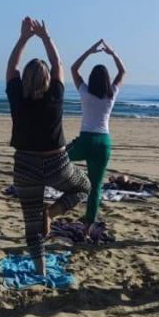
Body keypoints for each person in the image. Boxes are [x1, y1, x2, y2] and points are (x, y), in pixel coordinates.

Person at [6, 17, 91, 275]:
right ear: (47, 79)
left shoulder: (17, 97)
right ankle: (51, 213)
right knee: (85, 186)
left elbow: (12, 66)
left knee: (31, 224)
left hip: (25, 165)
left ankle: (40, 270)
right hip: (57, 164)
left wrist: (23, 38)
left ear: (25, 81)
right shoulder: (55, 95)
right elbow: (57, 64)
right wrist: (45, 37)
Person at [67, 38, 127, 236]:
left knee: (58, 158)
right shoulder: (111, 94)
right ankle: (87, 227)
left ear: (91, 79)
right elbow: (122, 71)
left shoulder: (85, 91)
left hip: (85, 141)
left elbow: (74, 68)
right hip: (103, 143)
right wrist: (113, 53)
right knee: (95, 188)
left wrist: (90, 51)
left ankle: (65, 186)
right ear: (107, 80)